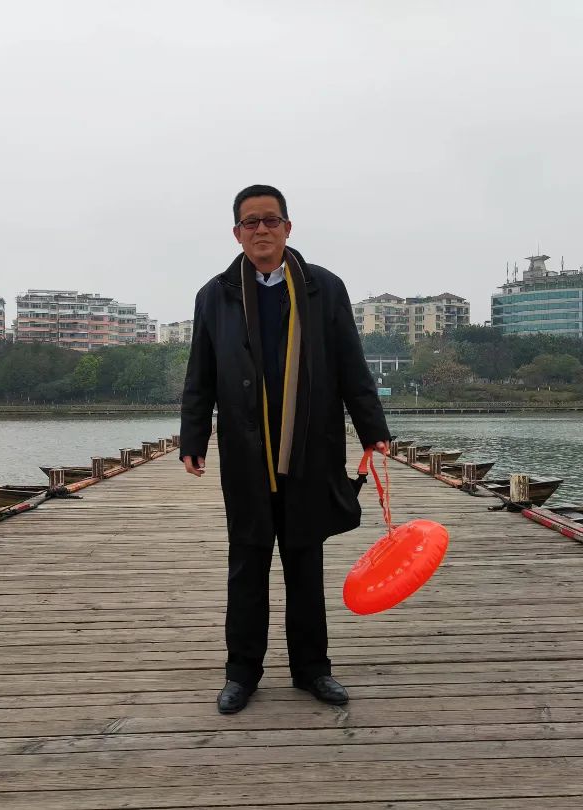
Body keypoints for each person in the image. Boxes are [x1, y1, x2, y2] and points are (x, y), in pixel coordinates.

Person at [179, 184, 390, 715]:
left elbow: (350, 362)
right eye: (250, 222)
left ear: (288, 228)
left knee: (305, 565)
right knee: (247, 565)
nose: (261, 230)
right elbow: (201, 373)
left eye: (271, 220)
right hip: (246, 453)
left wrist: (373, 427)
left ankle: (312, 669)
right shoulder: (216, 295)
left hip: (309, 451)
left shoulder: (323, 288)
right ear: (237, 233)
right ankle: (242, 673)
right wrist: (193, 438)